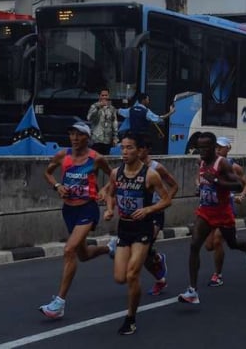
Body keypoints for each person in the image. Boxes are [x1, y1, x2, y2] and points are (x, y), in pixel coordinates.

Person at [40, 121, 114, 319]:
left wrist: (104, 191)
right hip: (69, 210)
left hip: (87, 209)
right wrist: (57, 186)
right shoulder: (63, 156)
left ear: (87, 138)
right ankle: (110, 248)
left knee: (69, 250)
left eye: (79, 135)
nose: (74, 138)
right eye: (72, 134)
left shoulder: (96, 158)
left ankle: (59, 303)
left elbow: (115, 176)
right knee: (83, 255)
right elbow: (47, 172)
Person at [103, 132, 172, 335]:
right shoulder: (117, 173)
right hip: (124, 228)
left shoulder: (150, 174)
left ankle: (130, 319)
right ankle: (157, 262)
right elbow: (110, 193)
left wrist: (148, 210)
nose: (125, 152)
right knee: (119, 277)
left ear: (139, 150)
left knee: (133, 274)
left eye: (129, 148)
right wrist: (109, 209)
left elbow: (166, 199)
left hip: (143, 228)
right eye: (122, 148)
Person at [178, 132, 246, 304]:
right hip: (206, 211)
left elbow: (237, 185)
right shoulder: (201, 162)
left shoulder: (222, 164)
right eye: (200, 148)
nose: (202, 151)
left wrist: (215, 180)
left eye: (206, 148)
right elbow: (202, 180)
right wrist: (201, 187)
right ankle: (192, 290)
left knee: (232, 244)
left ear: (214, 148)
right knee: (194, 245)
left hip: (223, 212)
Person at [204, 136, 246, 288]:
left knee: (218, 241)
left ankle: (217, 275)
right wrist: (199, 186)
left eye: (221, 146)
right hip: (210, 209)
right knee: (209, 246)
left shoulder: (234, 167)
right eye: (216, 146)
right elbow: (199, 179)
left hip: (226, 209)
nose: (217, 149)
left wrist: (241, 196)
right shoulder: (206, 164)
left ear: (228, 149)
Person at [140, 142, 179, 296]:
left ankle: (158, 276)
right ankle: (158, 268)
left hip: (155, 212)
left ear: (147, 149)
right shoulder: (130, 167)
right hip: (140, 212)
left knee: (145, 246)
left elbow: (174, 185)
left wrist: (164, 202)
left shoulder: (157, 168)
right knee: (144, 252)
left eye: (141, 147)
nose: (138, 151)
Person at [86, 88, 118, 155]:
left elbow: (114, 122)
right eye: (102, 95)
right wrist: (98, 107)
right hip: (96, 139)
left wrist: (115, 137)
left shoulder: (112, 108)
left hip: (107, 140)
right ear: (99, 96)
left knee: (105, 160)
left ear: (108, 96)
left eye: (106, 95)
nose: (104, 97)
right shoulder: (94, 106)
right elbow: (89, 118)